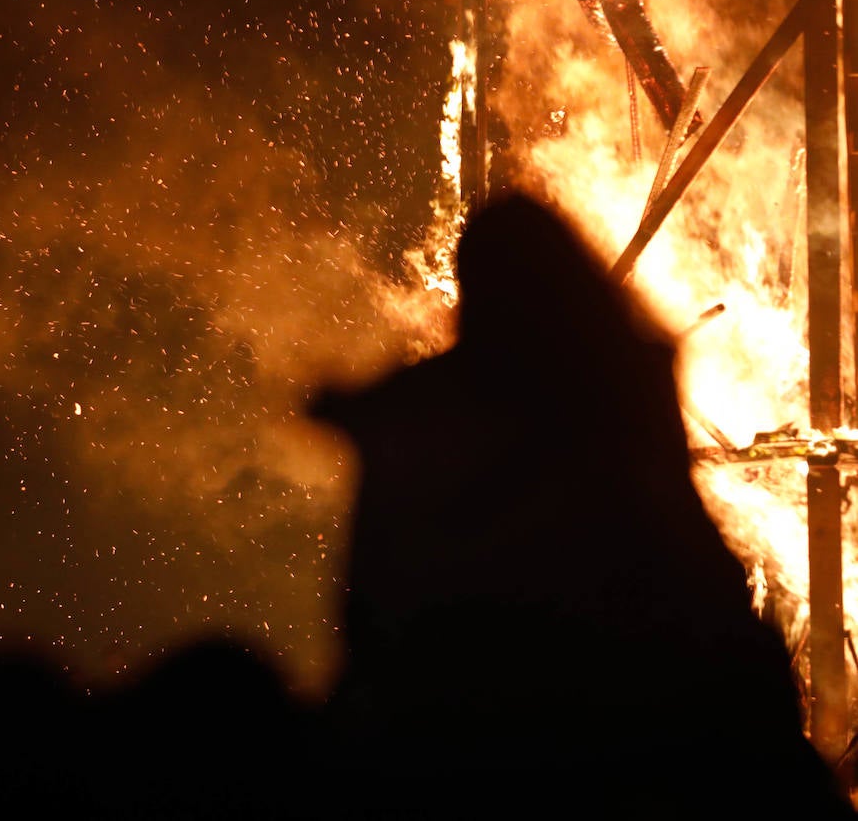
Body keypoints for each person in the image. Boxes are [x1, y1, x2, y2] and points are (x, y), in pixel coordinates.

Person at [313, 193, 852, 816]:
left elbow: (373, 609)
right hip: (635, 724)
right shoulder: (623, 387)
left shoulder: (421, 412)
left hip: (475, 739)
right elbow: (690, 562)